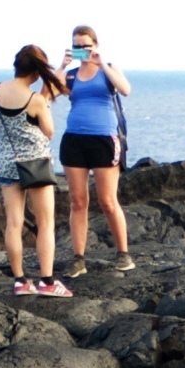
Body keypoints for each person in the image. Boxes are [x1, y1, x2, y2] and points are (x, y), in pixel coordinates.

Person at [0, 46, 70, 297]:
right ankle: (47, 282)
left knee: (13, 223)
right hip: (35, 163)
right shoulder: (35, 99)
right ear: (36, 73)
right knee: (45, 222)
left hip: (7, 163)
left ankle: (20, 281)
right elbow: (49, 131)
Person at [58, 24, 133, 278]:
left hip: (104, 139)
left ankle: (123, 254)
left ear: (95, 45)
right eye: (76, 46)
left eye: (85, 46)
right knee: (78, 201)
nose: (81, 50)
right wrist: (62, 65)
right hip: (75, 139)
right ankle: (78, 258)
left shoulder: (107, 69)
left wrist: (102, 65)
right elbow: (51, 92)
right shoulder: (70, 75)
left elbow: (125, 89)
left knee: (107, 201)